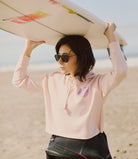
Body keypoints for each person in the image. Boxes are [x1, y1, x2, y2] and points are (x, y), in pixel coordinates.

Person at [12, 21, 127, 159]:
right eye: (58, 57)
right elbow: (19, 80)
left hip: (89, 147)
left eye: (65, 58)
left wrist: (111, 37)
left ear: (82, 56)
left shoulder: (97, 83)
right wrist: (27, 51)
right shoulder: (51, 80)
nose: (60, 62)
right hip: (58, 147)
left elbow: (120, 71)